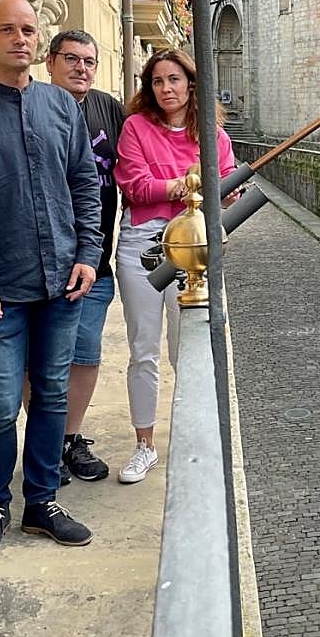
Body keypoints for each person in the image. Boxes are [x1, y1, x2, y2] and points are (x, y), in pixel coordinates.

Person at [0, 0, 103, 559]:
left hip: (63, 283)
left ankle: (41, 502)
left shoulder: (62, 107)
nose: (20, 39)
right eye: (7, 29)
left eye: (28, 30)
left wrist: (89, 253)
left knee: (51, 396)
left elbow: (86, 186)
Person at [114, 48, 237, 484]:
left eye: (174, 80)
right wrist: (188, 185)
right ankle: (144, 445)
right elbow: (136, 186)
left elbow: (226, 188)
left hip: (194, 248)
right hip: (143, 247)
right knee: (143, 348)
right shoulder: (135, 128)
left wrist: (218, 194)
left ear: (191, 84)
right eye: (158, 81)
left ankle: (192, 438)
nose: (166, 88)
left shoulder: (213, 135)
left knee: (189, 348)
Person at [45, 30, 124, 483]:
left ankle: (68, 439)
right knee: (42, 362)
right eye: (71, 59)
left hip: (94, 261)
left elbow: (139, 158)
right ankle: (46, 440)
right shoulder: (34, 105)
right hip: (42, 261)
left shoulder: (107, 109)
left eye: (90, 61)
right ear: (51, 62)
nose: (81, 68)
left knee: (85, 354)